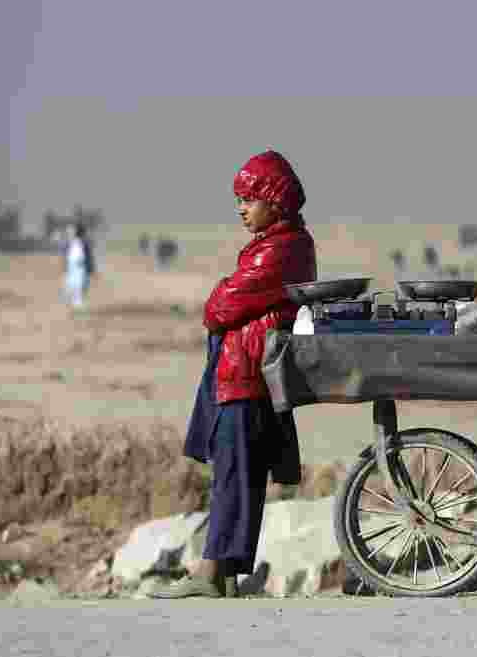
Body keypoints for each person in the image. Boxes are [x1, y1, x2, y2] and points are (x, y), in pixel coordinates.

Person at [150, 150, 317, 598]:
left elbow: (220, 306)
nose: (242, 209)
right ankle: (222, 574)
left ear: (274, 202)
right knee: (236, 473)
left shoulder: (279, 251)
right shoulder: (279, 245)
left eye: (249, 199)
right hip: (242, 371)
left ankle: (208, 574)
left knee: (232, 475)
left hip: (245, 374)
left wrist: (221, 299)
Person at [61, 223, 96, 310]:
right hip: (74, 267)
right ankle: (74, 303)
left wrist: (91, 268)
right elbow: (67, 255)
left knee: (80, 285)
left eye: (72, 231)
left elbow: (88, 256)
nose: (69, 232)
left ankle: (77, 303)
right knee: (73, 285)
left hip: (80, 267)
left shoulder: (83, 243)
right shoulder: (71, 242)